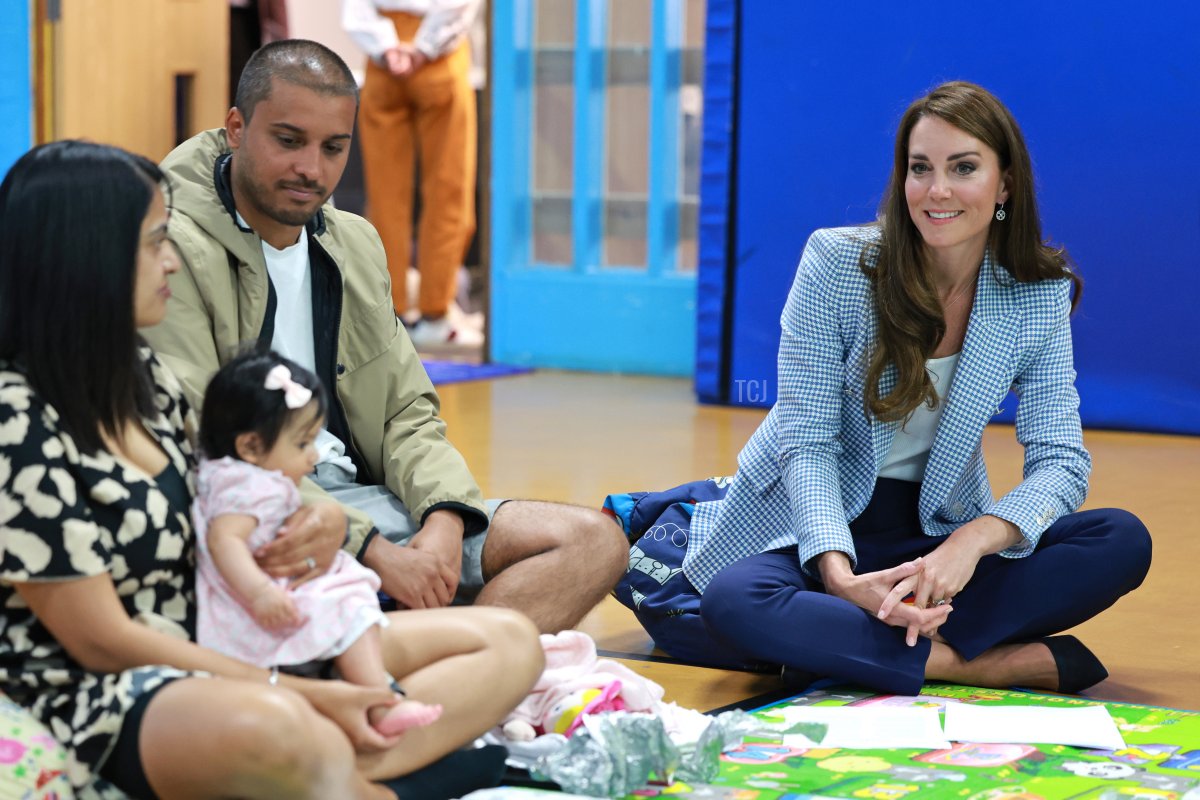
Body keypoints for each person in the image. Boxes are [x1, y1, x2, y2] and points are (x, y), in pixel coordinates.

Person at [0, 139, 542, 799]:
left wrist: (314, 519)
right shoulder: (15, 416)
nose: (171, 261)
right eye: (154, 243)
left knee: (511, 642)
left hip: (230, 638)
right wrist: (297, 692)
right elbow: (102, 643)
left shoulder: (139, 375)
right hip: (114, 689)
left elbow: (236, 486)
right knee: (281, 725)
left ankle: (334, 772)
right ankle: (366, 775)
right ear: (86, 258)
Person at [633, 81, 1152, 696]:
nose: (937, 191)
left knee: (1120, 539)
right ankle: (979, 664)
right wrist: (838, 576)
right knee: (734, 601)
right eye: (920, 169)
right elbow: (806, 441)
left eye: (964, 168)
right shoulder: (836, 262)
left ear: (1004, 184)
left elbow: (1061, 462)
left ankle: (856, 645)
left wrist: (968, 545)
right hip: (812, 524)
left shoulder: (1036, 294)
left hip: (933, 534)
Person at [142, 39, 628, 634]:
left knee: (594, 543)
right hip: (264, 520)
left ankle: (443, 668)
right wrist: (372, 548)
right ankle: (458, 665)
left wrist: (445, 519)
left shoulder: (355, 242)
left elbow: (407, 411)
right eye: (288, 141)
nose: (311, 169)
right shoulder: (172, 250)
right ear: (237, 128)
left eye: (334, 148)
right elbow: (202, 439)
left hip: (371, 504)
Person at [194, 349, 442, 737]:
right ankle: (379, 697)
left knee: (353, 600)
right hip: (257, 602)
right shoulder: (244, 485)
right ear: (251, 447)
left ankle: (378, 691)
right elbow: (225, 541)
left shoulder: (238, 476)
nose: (313, 458)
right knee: (350, 605)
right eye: (302, 444)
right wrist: (259, 592)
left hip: (273, 590)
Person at [342, 0, 482, 347]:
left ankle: (389, 310)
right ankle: (436, 312)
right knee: (448, 187)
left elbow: (355, 8)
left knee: (384, 193)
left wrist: (387, 46)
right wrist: (423, 47)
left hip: (382, 61)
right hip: (439, 57)